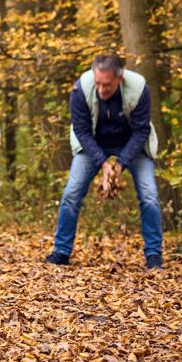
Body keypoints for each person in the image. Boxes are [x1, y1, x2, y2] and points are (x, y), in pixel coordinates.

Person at [46, 53, 164, 270]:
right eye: (98, 83)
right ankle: (61, 252)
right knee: (71, 192)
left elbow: (141, 131)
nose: (101, 89)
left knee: (149, 196)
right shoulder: (80, 89)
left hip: (132, 143)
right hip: (92, 143)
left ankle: (154, 255)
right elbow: (81, 130)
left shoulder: (139, 88)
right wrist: (103, 162)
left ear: (120, 79)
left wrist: (120, 164)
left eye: (107, 85)